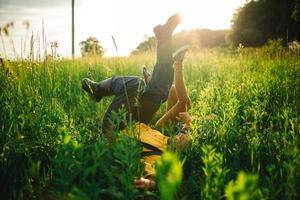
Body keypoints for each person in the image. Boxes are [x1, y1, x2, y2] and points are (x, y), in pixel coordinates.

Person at [81, 13, 188, 135]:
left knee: (138, 85)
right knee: (156, 90)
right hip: (137, 123)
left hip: (115, 131)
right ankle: (98, 89)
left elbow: (182, 101)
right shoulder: (165, 135)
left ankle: (99, 89)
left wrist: (186, 127)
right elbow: (177, 95)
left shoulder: (165, 147)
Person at [132, 58, 191, 190]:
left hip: (146, 126)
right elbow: (152, 178)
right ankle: (178, 63)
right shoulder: (159, 154)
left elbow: (151, 178)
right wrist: (187, 124)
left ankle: (151, 85)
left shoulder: (150, 156)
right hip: (159, 131)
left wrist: (147, 183)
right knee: (182, 99)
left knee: (177, 94)